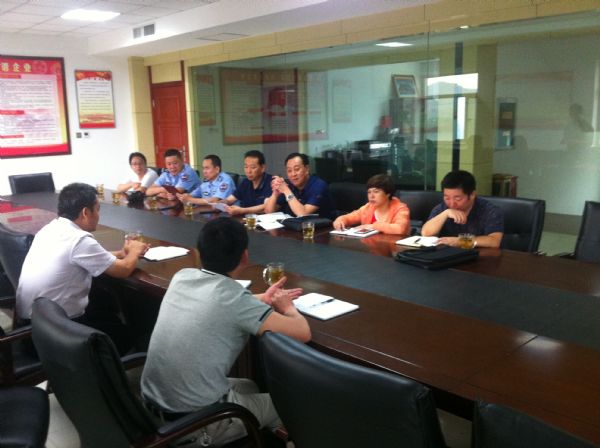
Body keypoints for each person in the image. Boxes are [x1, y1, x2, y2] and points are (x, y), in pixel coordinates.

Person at [141, 217, 310, 446]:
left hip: (152, 410)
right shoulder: (233, 299)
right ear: (245, 256)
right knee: (292, 405)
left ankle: (257, 437)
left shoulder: (183, 276)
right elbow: (302, 333)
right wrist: (288, 308)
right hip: (195, 425)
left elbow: (220, 302)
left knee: (249, 386)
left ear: (199, 252)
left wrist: (262, 299)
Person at [16, 183, 149, 353]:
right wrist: (135, 251)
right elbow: (123, 270)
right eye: (98, 209)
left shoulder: (51, 228)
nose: (99, 215)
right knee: (128, 333)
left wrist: (121, 253)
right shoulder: (79, 239)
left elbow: (82, 257)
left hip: (33, 327)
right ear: (86, 212)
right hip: (55, 336)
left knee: (105, 309)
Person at [421, 170, 504, 248]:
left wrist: (461, 241)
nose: (452, 203)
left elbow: (494, 241)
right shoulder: (442, 208)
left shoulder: (489, 210)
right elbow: (426, 233)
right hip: (448, 255)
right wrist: (445, 214)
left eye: (458, 199)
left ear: (472, 195)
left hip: (479, 255)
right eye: (447, 198)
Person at [264, 152, 336, 219]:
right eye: (289, 171)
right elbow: (268, 211)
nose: (293, 174)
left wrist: (286, 190)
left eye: (297, 169)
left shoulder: (319, 185)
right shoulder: (288, 185)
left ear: (307, 169)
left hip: (322, 227)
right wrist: (275, 194)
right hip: (294, 226)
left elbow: (303, 214)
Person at [333, 174, 410, 235]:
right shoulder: (368, 207)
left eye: (376, 192)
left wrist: (373, 226)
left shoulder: (401, 209)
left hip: (393, 248)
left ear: (388, 194)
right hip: (370, 247)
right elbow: (349, 217)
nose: (371, 196)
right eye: (369, 192)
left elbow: (400, 229)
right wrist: (340, 220)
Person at [220, 150, 273, 215]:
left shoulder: (271, 182)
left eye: (253, 167)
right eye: (246, 167)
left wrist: (242, 210)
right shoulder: (245, 182)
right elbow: (229, 200)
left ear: (262, 168)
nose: (248, 171)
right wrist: (218, 204)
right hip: (246, 219)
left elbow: (268, 207)